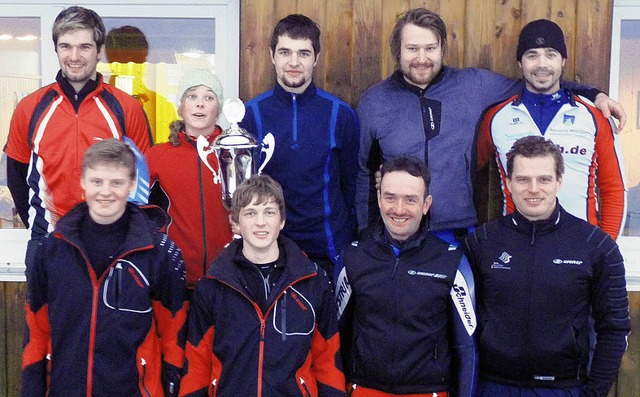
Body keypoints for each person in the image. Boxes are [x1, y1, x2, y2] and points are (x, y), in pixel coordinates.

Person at [355, 8, 626, 245]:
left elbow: (538, 81)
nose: (422, 58)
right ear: (397, 51)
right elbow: (363, 174)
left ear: (443, 49)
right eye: (412, 49)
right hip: (396, 233)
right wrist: (366, 234)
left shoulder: (474, 85)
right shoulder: (374, 101)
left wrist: (592, 93)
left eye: (430, 48)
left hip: (457, 233)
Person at [463, 136, 630, 397]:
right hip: (492, 386)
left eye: (544, 179)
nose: (533, 189)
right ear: (508, 183)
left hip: (563, 388)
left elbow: (614, 328)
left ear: (559, 181)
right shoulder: (481, 243)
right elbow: (459, 323)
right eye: (522, 179)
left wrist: (594, 393)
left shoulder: (596, 246)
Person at [22, 138, 188, 397]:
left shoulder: (157, 252)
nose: (105, 191)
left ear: (132, 185)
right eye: (97, 181)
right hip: (66, 388)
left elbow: (173, 335)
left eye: (117, 183)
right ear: (83, 183)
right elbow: (36, 331)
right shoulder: (53, 249)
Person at [179, 174, 345, 396]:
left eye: (269, 212)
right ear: (235, 223)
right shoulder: (212, 285)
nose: (260, 222)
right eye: (250, 213)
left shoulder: (312, 282)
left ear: (282, 220)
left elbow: (328, 363)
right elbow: (197, 365)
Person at [4, 6, 152, 243]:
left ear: (99, 51)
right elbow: (16, 178)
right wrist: (40, 226)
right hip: (48, 241)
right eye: (66, 46)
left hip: (111, 243)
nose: (74, 56)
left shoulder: (127, 108)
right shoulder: (29, 108)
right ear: (56, 49)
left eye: (84, 47)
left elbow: (144, 179)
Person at [335, 156, 477, 396]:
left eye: (410, 200)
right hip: (365, 391)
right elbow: (334, 342)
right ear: (379, 199)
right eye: (390, 197)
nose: (399, 210)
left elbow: (467, 350)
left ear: (426, 204)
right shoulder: (352, 258)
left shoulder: (451, 261)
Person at [476, 19, 626, 240]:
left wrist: (605, 248)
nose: (541, 64)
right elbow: (467, 174)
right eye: (532, 55)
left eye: (551, 54)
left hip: (579, 247)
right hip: (517, 246)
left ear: (563, 60)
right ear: (520, 63)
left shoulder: (594, 116)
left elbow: (614, 189)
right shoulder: (496, 118)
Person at [240, 14, 359, 277]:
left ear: (316, 58)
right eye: (285, 52)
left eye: (303, 53)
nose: (294, 62)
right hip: (269, 250)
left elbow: (351, 183)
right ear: (272, 55)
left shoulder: (340, 114)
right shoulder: (250, 114)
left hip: (328, 250)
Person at [146, 68, 233, 289]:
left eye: (209, 97)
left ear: (218, 108)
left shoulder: (232, 153)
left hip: (226, 277)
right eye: (192, 96)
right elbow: (137, 211)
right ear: (181, 106)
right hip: (176, 279)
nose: (200, 104)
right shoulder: (158, 156)